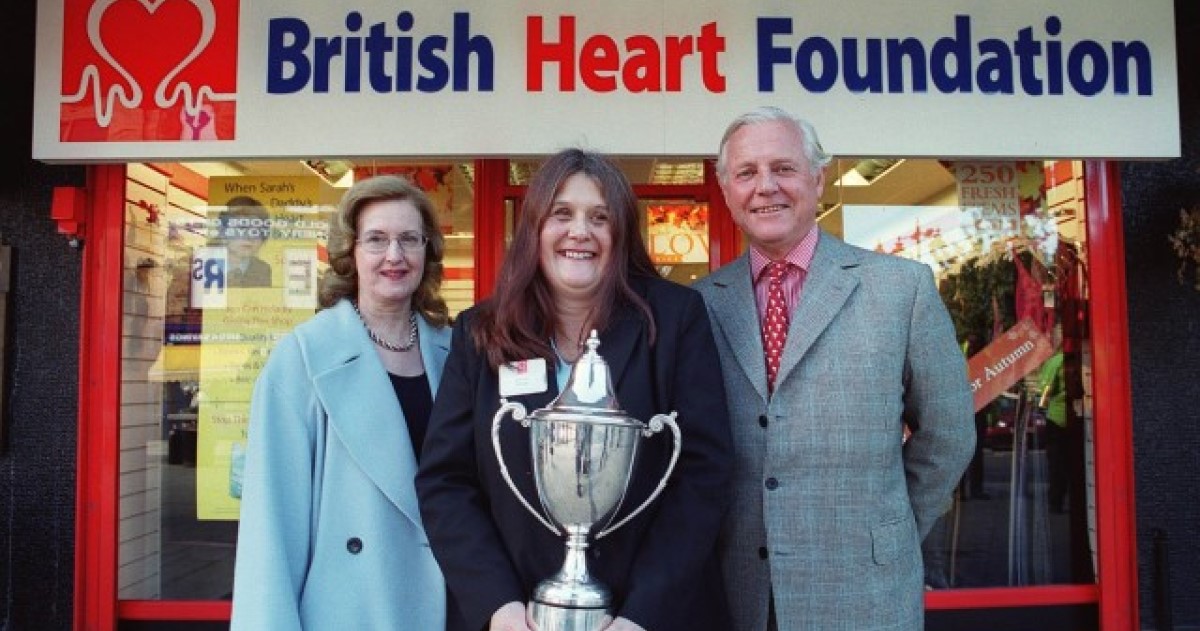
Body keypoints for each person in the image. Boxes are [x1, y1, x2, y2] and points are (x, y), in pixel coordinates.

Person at [416, 149, 734, 631]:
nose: (579, 231)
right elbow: (446, 483)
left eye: (599, 217)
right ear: (535, 230)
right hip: (515, 616)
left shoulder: (676, 320)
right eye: (561, 213)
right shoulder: (481, 331)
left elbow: (703, 476)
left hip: (653, 616)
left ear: (621, 234)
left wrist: (639, 616)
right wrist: (498, 607)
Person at [693, 106, 975, 631]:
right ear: (727, 190)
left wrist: (887, 529)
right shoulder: (699, 304)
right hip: (737, 596)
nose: (765, 187)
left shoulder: (901, 288)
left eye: (784, 167)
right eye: (747, 173)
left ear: (818, 178)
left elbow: (950, 433)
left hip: (865, 592)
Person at [230, 175, 453, 630]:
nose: (395, 255)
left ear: (427, 250)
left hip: (450, 606)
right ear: (350, 251)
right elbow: (271, 527)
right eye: (377, 240)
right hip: (351, 609)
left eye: (409, 239)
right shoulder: (303, 357)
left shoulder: (454, 353)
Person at [218, 195, 273, 287]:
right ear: (223, 231)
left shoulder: (263, 269)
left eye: (256, 230)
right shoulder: (208, 262)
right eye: (242, 227)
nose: (249, 237)